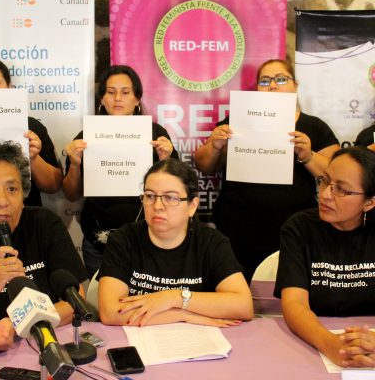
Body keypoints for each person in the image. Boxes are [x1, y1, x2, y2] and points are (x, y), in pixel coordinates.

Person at [194, 59, 340, 282]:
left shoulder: (314, 126)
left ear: (295, 85)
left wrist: (308, 155)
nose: (272, 86)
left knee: (291, 286)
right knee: (237, 286)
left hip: (293, 226)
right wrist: (215, 145)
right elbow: (203, 166)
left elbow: (335, 175)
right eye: (265, 81)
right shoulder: (237, 120)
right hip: (238, 224)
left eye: (281, 79)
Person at [98, 158, 253, 327]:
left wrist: (174, 297)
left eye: (170, 198)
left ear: (192, 206)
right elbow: (110, 312)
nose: (157, 206)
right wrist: (182, 314)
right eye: (150, 196)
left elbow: (243, 306)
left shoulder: (211, 242)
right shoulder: (124, 239)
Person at [63, 65, 178, 279]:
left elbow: (176, 191)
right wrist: (75, 165)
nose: (117, 98)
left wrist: (165, 160)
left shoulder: (155, 134)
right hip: (99, 244)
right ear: (102, 98)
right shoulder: (86, 137)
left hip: (148, 241)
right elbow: (71, 194)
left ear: (137, 99)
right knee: (102, 298)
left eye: (125, 92)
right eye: (110, 92)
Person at [0, 140, 88, 353]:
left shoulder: (43, 224)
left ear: (23, 197)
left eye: (12, 189)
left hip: (39, 342)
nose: (2, 201)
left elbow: (75, 298)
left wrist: (18, 324)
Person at [274, 146, 375, 368]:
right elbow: (295, 304)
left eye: (342, 190)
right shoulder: (299, 228)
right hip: (312, 343)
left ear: (369, 202)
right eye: (325, 181)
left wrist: (368, 343)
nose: (325, 194)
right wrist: (331, 345)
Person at [0, 57, 63, 206]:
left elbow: (53, 186)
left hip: (24, 213)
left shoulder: (31, 127)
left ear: (9, 88)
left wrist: (33, 157)